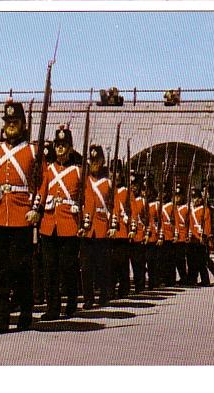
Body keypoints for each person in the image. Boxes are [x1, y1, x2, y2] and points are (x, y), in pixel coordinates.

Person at [0, 98, 40, 335]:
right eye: (8, 121)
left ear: (23, 123)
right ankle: (0, 318)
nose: (11, 125)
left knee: (20, 268)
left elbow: (41, 182)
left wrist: (37, 207)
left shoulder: (33, 150)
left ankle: (25, 311)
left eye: (15, 121)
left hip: (21, 214)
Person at [37, 124, 80, 320]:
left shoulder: (78, 171)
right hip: (49, 223)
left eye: (64, 145)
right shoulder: (48, 170)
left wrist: (81, 215)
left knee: (68, 267)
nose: (61, 148)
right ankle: (52, 307)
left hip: (68, 224)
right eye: (58, 145)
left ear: (70, 148)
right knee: (50, 267)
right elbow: (41, 192)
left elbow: (85, 199)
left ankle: (71, 301)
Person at [77, 145, 111, 309]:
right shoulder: (84, 180)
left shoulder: (108, 183)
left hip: (102, 226)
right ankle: (88, 298)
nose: (94, 164)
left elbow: (115, 206)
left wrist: (114, 225)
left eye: (97, 161)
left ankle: (104, 294)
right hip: (87, 226)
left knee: (102, 264)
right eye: (92, 161)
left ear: (102, 161)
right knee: (86, 265)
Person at [107, 160, 131, 299]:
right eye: (112, 171)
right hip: (107, 230)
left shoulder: (125, 191)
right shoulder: (106, 188)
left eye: (117, 172)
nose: (114, 175)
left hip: (121, 230)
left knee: (121, 262)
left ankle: (123, 289)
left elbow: (132, 210)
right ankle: (110, 290)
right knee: (109, 263)